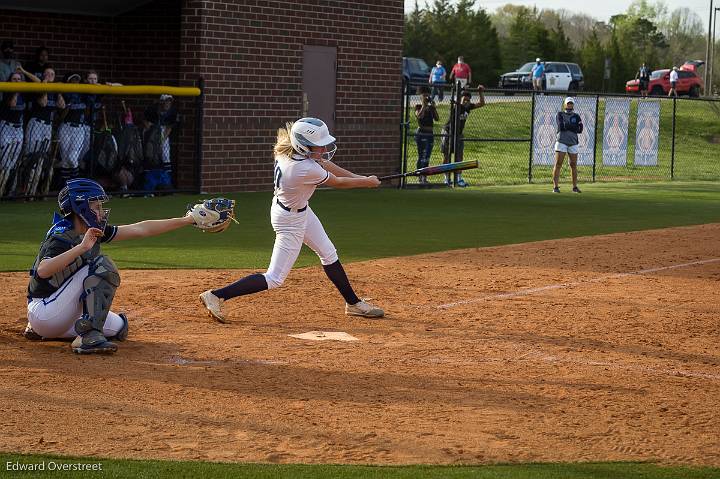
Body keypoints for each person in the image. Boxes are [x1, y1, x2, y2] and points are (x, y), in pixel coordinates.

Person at [198, 117, 384, 323]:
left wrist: (363, 178)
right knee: (274, 278)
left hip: (297, 210)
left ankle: (353, 303)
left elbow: (326, 164)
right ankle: (217, 295)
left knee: (328, 253)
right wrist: (365, 182)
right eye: (318, 146)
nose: (322, 149)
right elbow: (338, 182)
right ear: (303, 146)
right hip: (289, 220)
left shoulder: (287, 152)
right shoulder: (303, 169)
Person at [23, 178, 208, 354]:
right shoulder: (61, 235)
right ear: (81, 207)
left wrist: (188, 219)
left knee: (120, 327)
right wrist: (82, 247)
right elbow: (43, 270)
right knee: (102, 265)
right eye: (97, 206)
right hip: (46, 312)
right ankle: (88, 336)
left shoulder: (92, 230)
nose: (102, 212)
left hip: (61, 317)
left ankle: (78, 330)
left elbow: (141, 229)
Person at [440, 85, 485, 188]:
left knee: (459, 157)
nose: (466, 102)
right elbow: (456, 101)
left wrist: (480, 92)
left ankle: (459, 179)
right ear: (460, 99)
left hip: (459, 134)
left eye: (468, 100)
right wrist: (462, 90)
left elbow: (481, 103)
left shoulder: (467, 107)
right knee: (447, 155)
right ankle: (446, 179)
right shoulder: (456, 106)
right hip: (448, 132)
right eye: (464, 99)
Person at [143, 94, 178, 191]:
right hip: (151, 131)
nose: (168, 103)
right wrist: (151, 135)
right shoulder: (152, 109)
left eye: (169, 101)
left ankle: (168, 183)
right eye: (166, 101)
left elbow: (169, 127)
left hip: (163, 132)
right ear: (161, 101)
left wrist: (162, 140)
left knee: (166, 155)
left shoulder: (172, 112)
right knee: (149, 155)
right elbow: (146, 123)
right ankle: (146, 183)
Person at [0, 70, 27, 196]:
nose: (16, 81)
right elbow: (12, 104)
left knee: (13, 159)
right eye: (14, 79)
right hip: (6, 127)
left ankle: (9, 188)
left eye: (19, 79)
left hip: (18, 129)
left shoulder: (25, 93)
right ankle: (2, 187)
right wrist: (16, 91)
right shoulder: (7, 91)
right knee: (4, 157)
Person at [57, 73, 86, 183]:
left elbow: (86, 113)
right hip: (66, 127)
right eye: (73, 80)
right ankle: (66, 185)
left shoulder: (84, 95)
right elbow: (60, 117)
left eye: (77, 80)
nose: (75, 82)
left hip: (79, 129)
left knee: (73, 159)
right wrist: (68, 105)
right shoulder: (65, 94)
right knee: (65, 159)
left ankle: (74, 183)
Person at [552, 97, 583, 194]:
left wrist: (567, 125)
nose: (569, 105)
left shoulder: (577, 116)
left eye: (571, 104)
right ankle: (555, 187)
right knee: (558, 164)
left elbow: (580, 129)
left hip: (573, 143)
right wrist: (573, 127)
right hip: (561, 142)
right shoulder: (560, 114)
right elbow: (561, 126)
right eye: (568, 103)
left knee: (573, 165)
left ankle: (574, 187)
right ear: (565, 105)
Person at [414, 86, 439, 185]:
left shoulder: (430, 107)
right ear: (421, 96)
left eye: (427, 95)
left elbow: (437, 118)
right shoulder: (418, 106)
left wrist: (433, 107)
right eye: (424, 95)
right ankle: (419, 176)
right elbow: (419, 116)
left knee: (427, 156)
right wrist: (424, 106)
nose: (426, 97)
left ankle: (425, 177)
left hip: (430, 134)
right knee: (422, 156)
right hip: (421, 133)